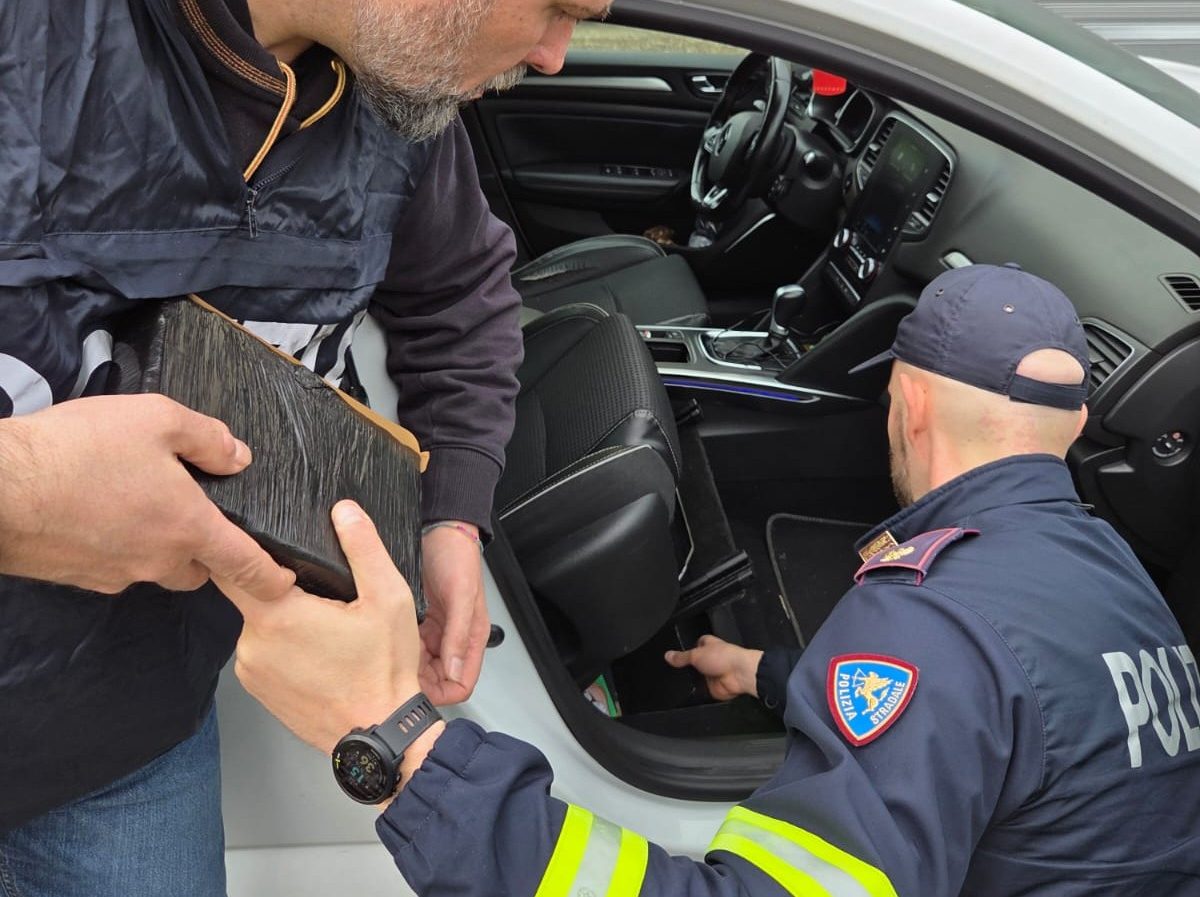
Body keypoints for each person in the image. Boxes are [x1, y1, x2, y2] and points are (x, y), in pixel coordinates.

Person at [225, 264, 1200, 896]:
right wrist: (770, 673)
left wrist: (405, 751)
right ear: (1068, 426)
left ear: (905, 405)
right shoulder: (1115, 579)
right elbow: (993, 722)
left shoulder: (934, 620)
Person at [0, 0, 609, 893]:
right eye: (559, 5)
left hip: (128, 742)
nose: (557, 54)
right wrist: (27, 492)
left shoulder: (399, 93)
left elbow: (460, 297)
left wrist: (451, 519)